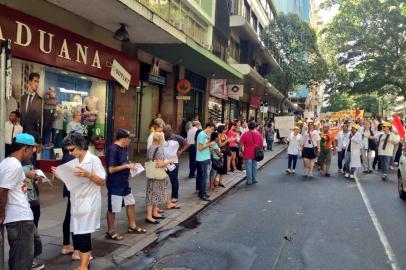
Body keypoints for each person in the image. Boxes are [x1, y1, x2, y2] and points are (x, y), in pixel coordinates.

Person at [53, 132, 106, 270]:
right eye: (68, 150)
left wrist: (88, 174)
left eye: (72, 149)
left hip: (89, 201)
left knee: (83, 234)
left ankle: (83, 266)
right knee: (77, 233)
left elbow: (102, 181)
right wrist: (59, 174)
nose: (70, 153)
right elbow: (71, 180)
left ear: (80, 146)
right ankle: (83, 264)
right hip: (76, 201)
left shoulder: (94, 160)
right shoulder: (75, 161)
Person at [0, 133, 43, 270]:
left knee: (34, 247)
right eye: (32, 149)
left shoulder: (8, 162)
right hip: (19, 219)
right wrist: (1, 215)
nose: (33, 152)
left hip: (23, 218)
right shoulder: (13, 165)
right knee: (21, 262)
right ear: (25, 149)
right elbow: (2, 191)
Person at [105, 129, 146, 241]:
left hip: (124, 182)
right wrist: (126, 166)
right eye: (129, 138)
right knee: (113, 208)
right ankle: (110, 231)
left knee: (131, 203)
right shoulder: (113, 149)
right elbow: (111, 169)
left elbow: (125, 162)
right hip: (115, 183)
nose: (130, 140)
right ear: (123, 139)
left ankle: (132, 226)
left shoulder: (125, 148)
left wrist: (132, 164)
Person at [145, 132, 174, 224]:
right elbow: (160, 164)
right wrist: (169, 161)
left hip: (152, 174)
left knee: (152, 194)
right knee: (153, 195)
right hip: (158, 175)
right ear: (161, 139)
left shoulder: (151, 147)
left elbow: (151, 159)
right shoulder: (159, 149)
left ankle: (154, 213)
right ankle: (149, 216)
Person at [163, 125, 189, 203]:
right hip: (163, 163)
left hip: (173, 163)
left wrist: (180, 151)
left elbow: (187, 144)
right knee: (161, 181)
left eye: (165, 132)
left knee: (174, 180)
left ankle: (174, 196)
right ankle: (162, 197)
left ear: (170, 131)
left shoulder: (177, 137)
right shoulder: (162, 137)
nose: (163, 133)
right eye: (163, 131)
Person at [196, 122, 216, 201]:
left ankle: (202, 192)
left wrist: (208, 142)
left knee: (203, 176)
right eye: (211, 129)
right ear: (208, 127)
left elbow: (204, 145)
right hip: (202, 159)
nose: (212, 131)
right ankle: (202, 193)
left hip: (205, 158)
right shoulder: (201, 135)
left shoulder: (205, 134)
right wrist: (210, 144)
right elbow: (200, 148)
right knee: (204, 177)